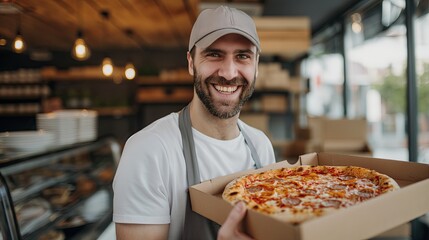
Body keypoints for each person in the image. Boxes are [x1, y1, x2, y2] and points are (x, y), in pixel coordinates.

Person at [113, 5, 276, 240]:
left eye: (242, 56)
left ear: (256, 65)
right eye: (214, 54)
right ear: (191, 62)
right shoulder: (148, 151)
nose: (229, 73)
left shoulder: (261, 146)